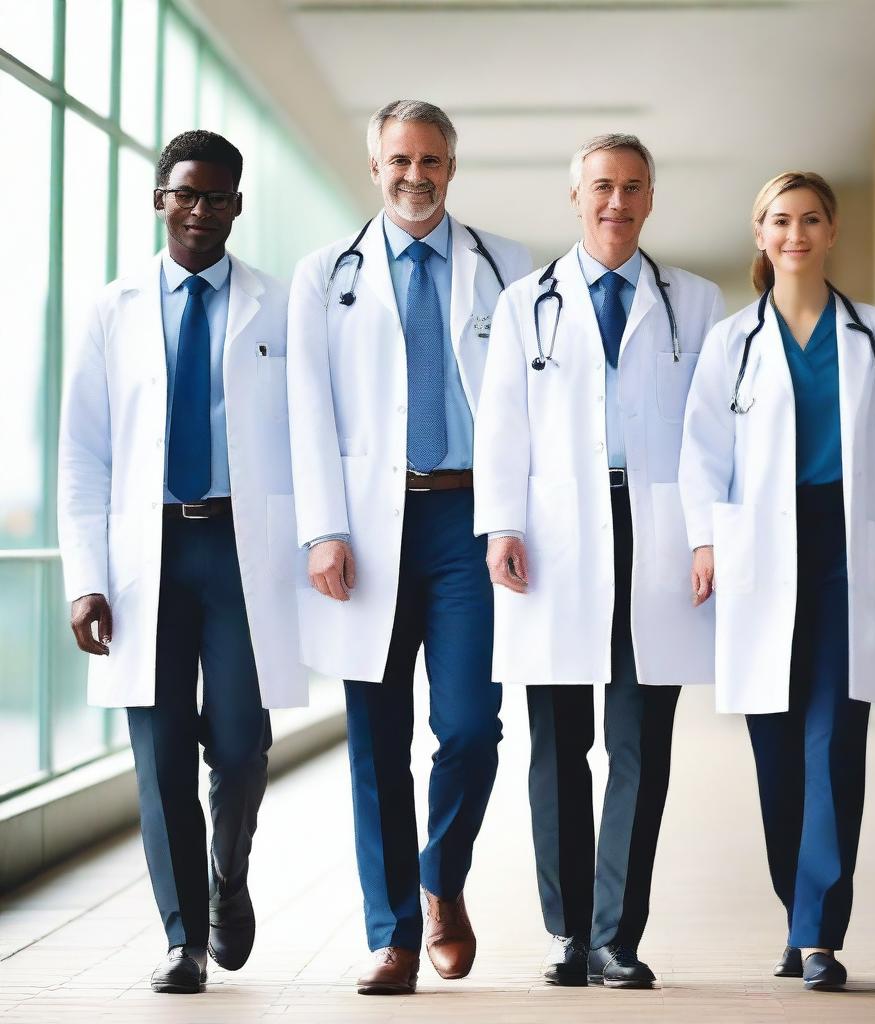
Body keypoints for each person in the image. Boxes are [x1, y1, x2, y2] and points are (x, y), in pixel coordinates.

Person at [680, 171, 875, 991]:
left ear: (831, 232)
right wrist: (703, 543)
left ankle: (819, 932)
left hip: (845, 550)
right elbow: (702, 457)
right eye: (780, 221)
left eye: (810, 219)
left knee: (835, 743)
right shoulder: (733, 342)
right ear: (760, 235)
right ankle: (798, 912)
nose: (795, 234)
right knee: (777, 755)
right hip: (761, 552)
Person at [287, 100, 531, 996]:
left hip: (469, 526)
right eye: (399, 159)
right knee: (376, 739)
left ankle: (440, 877)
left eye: (431, 158)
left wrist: (518, 520)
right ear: (375, 164)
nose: (414, 174)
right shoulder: (325, 274)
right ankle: (392, 934)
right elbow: (308, 411)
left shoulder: (509, 267)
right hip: (370, 530)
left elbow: (527, 408)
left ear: (453, 166)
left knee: (471, 726)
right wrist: (324, 530)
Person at [57, 130, 306, 994]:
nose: (200, 211)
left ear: (239, 204)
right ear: (161, 199)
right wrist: (86, 577)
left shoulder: (279, 307)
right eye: (184, 195)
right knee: (160, 754)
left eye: (217, 197)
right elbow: (82, 453)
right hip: (145, 552)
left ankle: (226, 880)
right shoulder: (111, 308)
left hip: (240, 548)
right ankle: (181, 938)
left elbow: (306, 434)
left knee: (240, 746)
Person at [474, 133, 724, 990]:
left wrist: (707, 536)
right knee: (555, 745)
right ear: (574, 197)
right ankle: (567, 932)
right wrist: (500, 522)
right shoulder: (524, 304)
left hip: (655, 528)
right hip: (555, 533)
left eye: (633, 187)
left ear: (652, 198)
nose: (616, 202)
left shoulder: (696, 301)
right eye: (602, 187)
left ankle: (618, 936)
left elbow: (709, 435)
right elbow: (501, 422)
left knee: (640, 746)